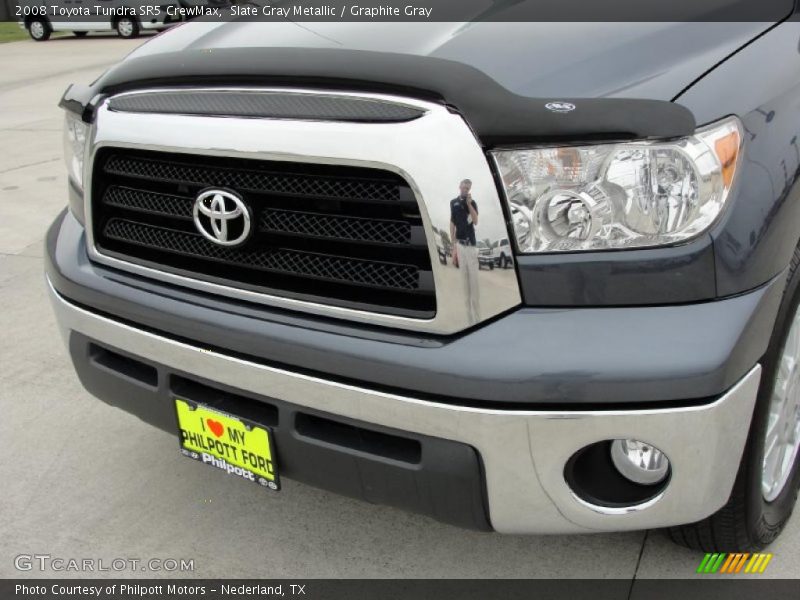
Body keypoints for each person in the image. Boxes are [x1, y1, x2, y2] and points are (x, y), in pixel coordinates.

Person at [450, 179, 481, 323]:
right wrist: (453, 245)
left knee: (474, 282)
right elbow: (452, 223)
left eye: (468, 188)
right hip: (461, 246)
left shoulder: (472, 203)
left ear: (470, 189)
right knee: (464, 281)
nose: (465, 189)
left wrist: (469, 204)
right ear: (460, 186)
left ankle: (478, 319)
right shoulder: (453, 203)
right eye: (464, 186)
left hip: (471, 247)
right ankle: (469, 320)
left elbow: (475, 221)